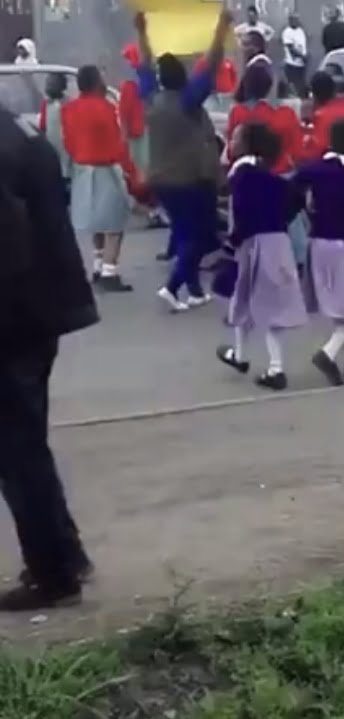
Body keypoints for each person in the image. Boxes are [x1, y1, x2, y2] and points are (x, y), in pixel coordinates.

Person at [0, 107, 97, 612]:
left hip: (14, 317)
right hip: (42, 307)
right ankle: (64, 553)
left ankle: (53, 574)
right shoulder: (15, 127)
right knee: (26, 445)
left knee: (17, 451)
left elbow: (7, 240)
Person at [136, 10, 230, 312]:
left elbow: (144, 66)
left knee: (184, 230)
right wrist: (221, 29)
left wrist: (142, 32)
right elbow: (212, 65)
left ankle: (194, 290)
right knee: (200, 235)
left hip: (160, 180)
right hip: (190, 179)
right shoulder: (188, 101)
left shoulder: (151, 99)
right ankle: (172, 287)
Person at [217, 123, 306, 390]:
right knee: (254, 299)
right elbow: (296, 199)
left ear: (246, 145)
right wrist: (280, 218)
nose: (231, 142)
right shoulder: (272, 178)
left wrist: (231, 243)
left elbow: (241, 213)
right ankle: (241, 355)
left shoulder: (241, 176)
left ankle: (274, 368)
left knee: (252, 299)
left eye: (235, 138)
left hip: (252, 244)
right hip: (277, 242)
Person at [296, 119, 344, 386]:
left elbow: (293, 189)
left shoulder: (314, 169)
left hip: (318, 241)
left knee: (335, 304)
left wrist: (307, 207)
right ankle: (329, 353)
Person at [62, 65, 135, 292]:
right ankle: (109, 271)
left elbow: (68, 142)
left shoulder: (69, 109)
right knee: (114, 222)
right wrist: (129, 169)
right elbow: (116, 142)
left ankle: (97, 264)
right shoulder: (105, 107)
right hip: (106, 169)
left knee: (96, 221)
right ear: (96, 83)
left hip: (82, 170)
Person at [119, 44, 150, 179]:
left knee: (138, 169)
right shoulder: (146, 83)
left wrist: (124, 136)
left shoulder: (128, 86)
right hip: (145, 131)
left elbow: (123, 113)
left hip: (137, 134)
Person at [37, 73, 72, 193]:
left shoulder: (68, 103)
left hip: (66, 151)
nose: (48, 87)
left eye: (52, 84)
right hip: (51, 149)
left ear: (62, 86)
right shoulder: (46, 103)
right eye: (47, 84)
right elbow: (42, 126)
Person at [282, 13, 309, 98]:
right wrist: (302, 56)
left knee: (301, 87)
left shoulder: (301, 31)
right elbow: (291, 49)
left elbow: (303, 46)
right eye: (294, 19)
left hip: (301, 64)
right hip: (292, 64)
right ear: (290, 21)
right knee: (293, 88)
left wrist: (306, 55)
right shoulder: (287, 32)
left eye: (297, 19)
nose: (296, 21)